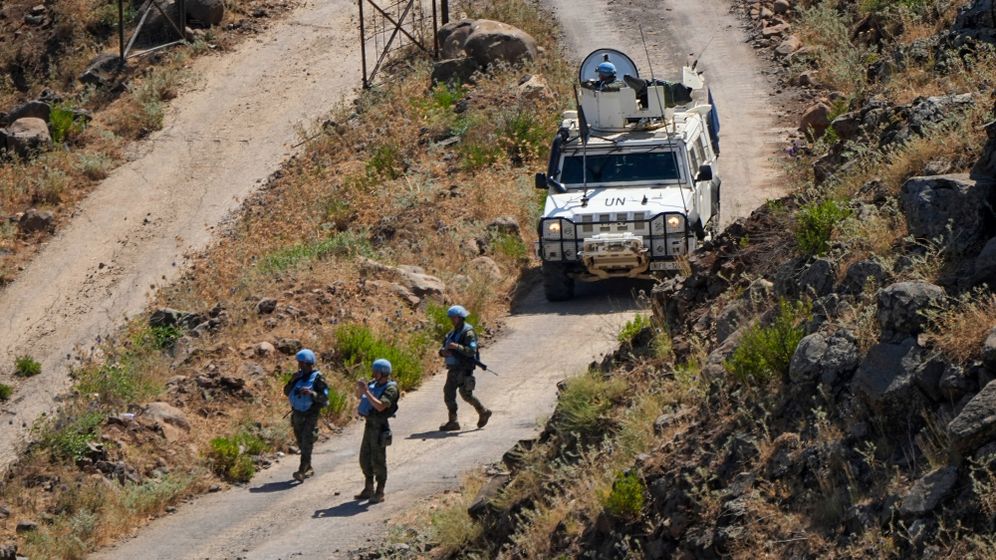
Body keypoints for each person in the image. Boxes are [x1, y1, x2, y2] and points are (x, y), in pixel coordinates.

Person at [438, 305, 491, 432]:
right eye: (451, 318)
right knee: (450, 393)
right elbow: (443, 348)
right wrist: (443, 352)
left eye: (454, 318)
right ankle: (454, 420)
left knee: (464, 394)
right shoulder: (452, 333)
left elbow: (471, 351)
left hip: (463, 368)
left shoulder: (468, 333)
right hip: (453, 368)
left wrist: (456, 347)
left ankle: (481, 412)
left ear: (461, 318)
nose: (452, 320)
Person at [354, 358, 399, 504]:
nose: (373, 374)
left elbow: (381, 406)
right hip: (369, 425)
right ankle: (368, 488)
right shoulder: (373, 385)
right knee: (364, 458)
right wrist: (361, 389)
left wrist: (367, 391)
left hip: (380, 427)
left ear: (383, 373)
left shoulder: (391, 389)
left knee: (378, 460)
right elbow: (359, 396)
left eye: (376, 371)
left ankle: (380, 491)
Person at [283, 349, 329, 482]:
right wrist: (292, 381)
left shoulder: (318, 378)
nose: (300, 366)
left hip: (310, 414)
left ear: (308, 363)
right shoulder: (297, 377)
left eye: (302, 363)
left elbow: (324, 398)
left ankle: (302, 470)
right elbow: (286, 392)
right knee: (300, 442)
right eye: (299, 363)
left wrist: (311, 393)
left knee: (307, 441)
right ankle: (308, 467)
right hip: (297, 414)